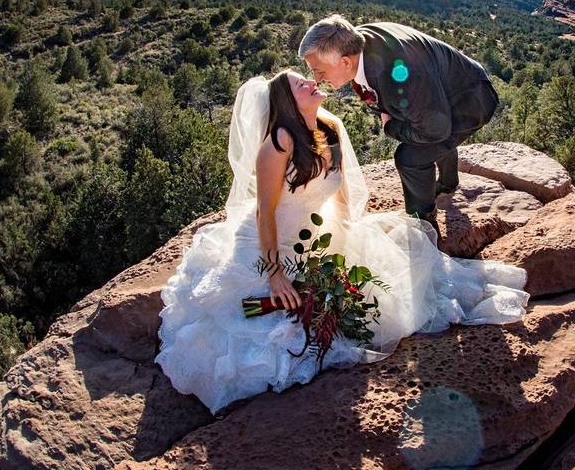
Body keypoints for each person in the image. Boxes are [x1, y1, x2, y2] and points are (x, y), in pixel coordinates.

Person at [155, 70, 528, 414]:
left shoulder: (330, 129)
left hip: (313, 240)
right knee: (255, 318)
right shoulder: (277, 143)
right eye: (301, 83)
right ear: (287, 100)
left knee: (379, 291)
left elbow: (341, 198)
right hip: (267, 245)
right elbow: (264, 214)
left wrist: (352, 237)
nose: (311, 82)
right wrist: (274, 275)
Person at [300, 15, 499, 235]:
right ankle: (448, 182)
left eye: (319, 70)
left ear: (345, 61)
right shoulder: (357, 41)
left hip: (471, 101)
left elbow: (435, 130)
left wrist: (390, 126)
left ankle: (423, 223)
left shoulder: (396, 77)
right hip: (451, 89)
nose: (315, 79)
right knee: (422, 120)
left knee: (409, 157)